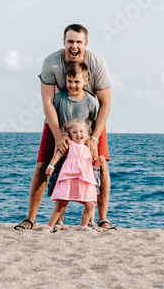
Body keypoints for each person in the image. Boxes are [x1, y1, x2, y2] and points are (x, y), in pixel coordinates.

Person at [14, 24, 116, 231]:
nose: (74, 46)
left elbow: (106, 103)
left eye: (78, 42)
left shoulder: (96, 63)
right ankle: (30, 218)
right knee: (43, 165)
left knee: (102, 165)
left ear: (86, 44)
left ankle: (102, 218)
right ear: (64, 42)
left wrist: (94, 137)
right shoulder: (51, 63)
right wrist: (58, 136)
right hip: (58, 120)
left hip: (90, 124)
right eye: (70, 41)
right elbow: (47, 102)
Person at [44, 61, 99, 218]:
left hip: (84, 150)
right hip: (64, 145)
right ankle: (59, 221)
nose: (73, 85)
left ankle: (89, 221)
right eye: (69, 81)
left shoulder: (91, 102)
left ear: (85, 81)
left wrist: (93, 140)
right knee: (61, 187)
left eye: (77, 81)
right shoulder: (59, 99)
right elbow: (52, 117)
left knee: (88, 187)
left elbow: (96, 122)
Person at [41, 119, 102, 233]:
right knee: (61, 204)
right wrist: (51, 166)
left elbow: (94, 164)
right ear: (70, 135)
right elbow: (58, 154)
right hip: (69, 177)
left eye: (81, 131)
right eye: (74, 132)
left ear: (86, 133)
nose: (78, 134)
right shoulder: (70, 144)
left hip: (84, 179)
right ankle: (49, 225)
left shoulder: (89, 147)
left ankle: (83, 225)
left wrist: (100, 161)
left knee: (90, 205)